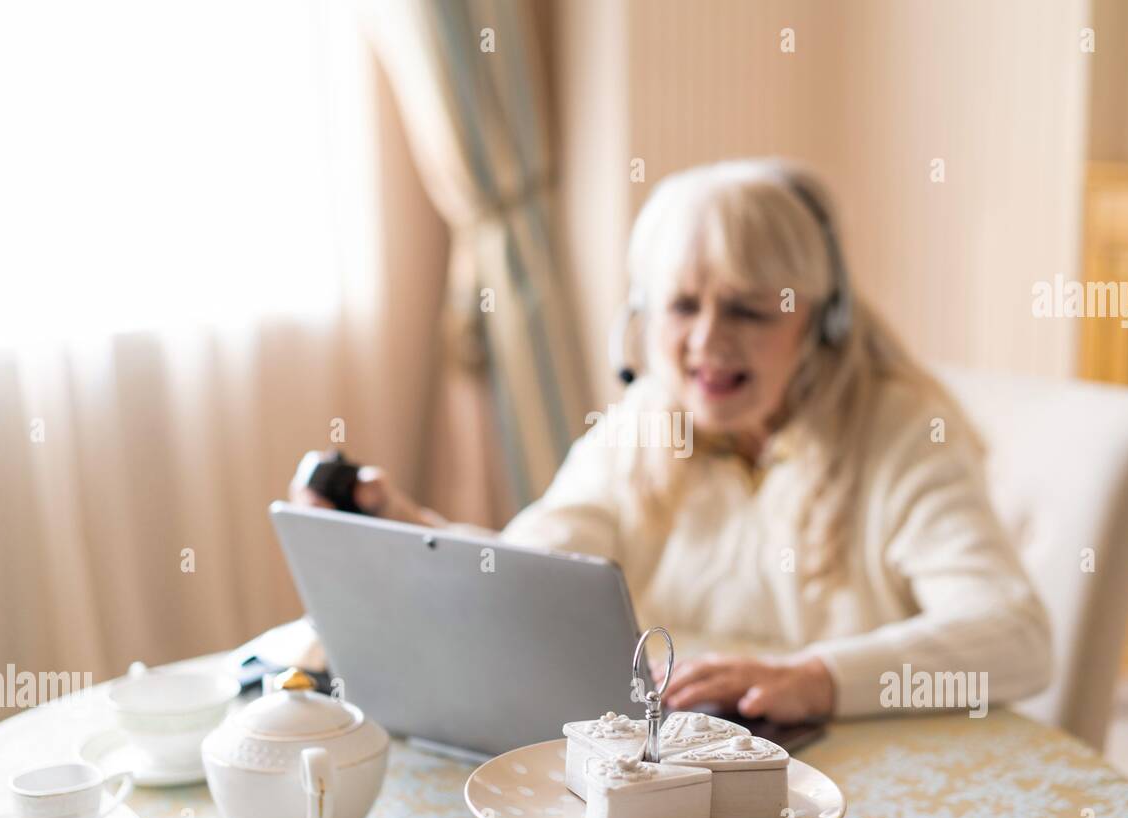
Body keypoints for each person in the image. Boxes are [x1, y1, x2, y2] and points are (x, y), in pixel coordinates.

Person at [292, 157, 1052, 726]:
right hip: (681, 774)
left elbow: (1016, 638)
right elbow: (533, 574)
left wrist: (815, 676)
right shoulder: (640, 424)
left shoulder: (901, 436)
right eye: (681, 306)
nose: (707, 343)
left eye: (751, 310)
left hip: (865, 778)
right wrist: (413, 535)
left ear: (823, 321)